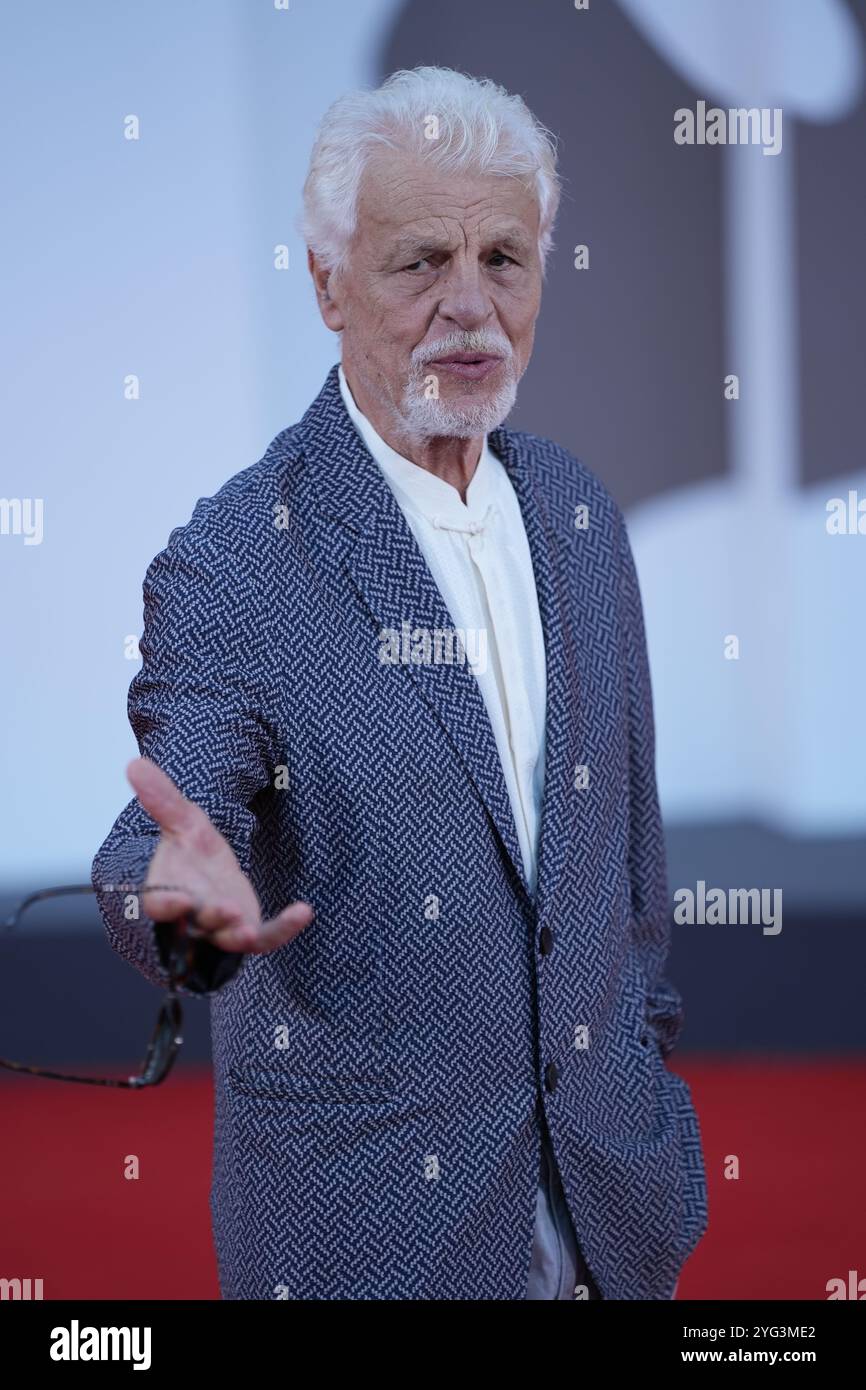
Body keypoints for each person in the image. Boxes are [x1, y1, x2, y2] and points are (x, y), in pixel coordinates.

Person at [93, 65, 708, 1300]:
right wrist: (174, 905)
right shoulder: (236, 562)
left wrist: (645, 1126)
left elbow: (626, 891)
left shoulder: (581, 516)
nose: (469, 308)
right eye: (420, 261)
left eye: (504, 259)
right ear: (326, 281)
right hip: (368, 1252)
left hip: (612, 1232)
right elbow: (163, 830)